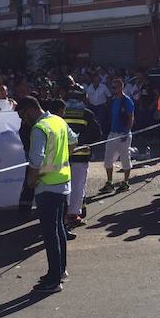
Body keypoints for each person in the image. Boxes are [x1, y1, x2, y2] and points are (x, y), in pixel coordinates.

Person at [18, 95, 78, 294]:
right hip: (63, 182)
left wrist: (30, 181)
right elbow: (73, 140)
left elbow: (36, 160)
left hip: (47, 186)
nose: (23, 121)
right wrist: (63, 158)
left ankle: (53, 280)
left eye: (22, 116)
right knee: (59, 229)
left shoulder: (39, 128)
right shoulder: (58, 121)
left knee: (50, 234)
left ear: (29, 110)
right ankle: (60, 271)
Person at [61, 88, 103, 227]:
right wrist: (84, 142)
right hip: (81, 156)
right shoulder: (87, 114)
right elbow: (97, 134)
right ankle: (73, 215)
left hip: (64, 156)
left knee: (65, 186)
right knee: (78, 187)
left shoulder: (62, 114)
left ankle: (63, 214)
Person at [99, 78, 135, 193]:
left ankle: (125, 182)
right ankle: (109, 182)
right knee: (108, 159)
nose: (113, 89)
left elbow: (131, 117)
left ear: (121, 87)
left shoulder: (127, 100)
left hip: (123, 134)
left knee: (125, 158)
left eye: (115, 87)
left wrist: (126, 131)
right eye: (112, 87)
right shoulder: (114, 100)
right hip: (113, 133)